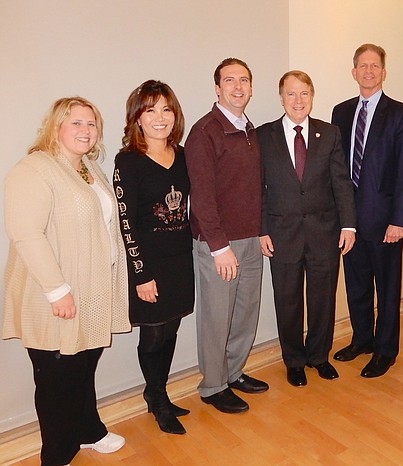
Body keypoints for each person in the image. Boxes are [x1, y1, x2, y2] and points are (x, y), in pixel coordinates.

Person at [3, 97, 130, 465]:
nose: (85, 130)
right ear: (55, 126)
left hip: (91, 289)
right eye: (76, 123)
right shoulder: (35, 169)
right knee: (57, 379)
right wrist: (58, 291)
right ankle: (56, 454)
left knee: (82, 366)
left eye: (91, 124)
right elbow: (26, 234)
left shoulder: (88, 167)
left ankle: (88, 431)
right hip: (55, 295)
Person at [258, 71, 356, 387]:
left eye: (304, 94)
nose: (298, 101)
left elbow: (341, 182)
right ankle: (294, 360)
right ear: (281, 97)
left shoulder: (329, 134)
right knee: (287, 300)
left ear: (312, 97)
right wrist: (262, 230)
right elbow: (257, 188)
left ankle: (318, 356)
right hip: (281, 234)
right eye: (291, 94)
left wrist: (349, 225)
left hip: (324, 233)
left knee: (322, 298)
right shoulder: (264, 136)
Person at [184, 58, 268, 414]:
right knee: (217, 317)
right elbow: (201, 196)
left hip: (251, 240)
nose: (238, 86)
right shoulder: (205, 132)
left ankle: (233, 373)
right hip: (219, 245)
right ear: (217, 88)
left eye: (244, 80)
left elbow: (255, 189)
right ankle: (213, 385)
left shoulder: (249, 129)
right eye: (230, 80)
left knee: (245, 313)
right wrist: (219, 247)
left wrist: (261, 230)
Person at [331, 43, 403, 378]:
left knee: (388, 287)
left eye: (375, 66)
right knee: (356, 284)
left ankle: (385, 349)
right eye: (362, 66)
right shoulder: (341, 112)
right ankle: (362, 339)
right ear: (354, 72)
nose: (368, 71)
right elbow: (337, 169)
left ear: (383, 71)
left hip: (385, 222)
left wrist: (399, 219)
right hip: (349, 222)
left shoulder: (400, 114)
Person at [113, 80, 194, 434]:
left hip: (180, 258)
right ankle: (156, 398)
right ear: (137, 118)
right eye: (150, 110)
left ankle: (159, 392)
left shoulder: (183, 154)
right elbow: (126, 221)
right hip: (148, 264)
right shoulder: (127, 162)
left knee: (172, 326)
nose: (159, 117)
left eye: (165, 109)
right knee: (154, 335)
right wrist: (141, 274)